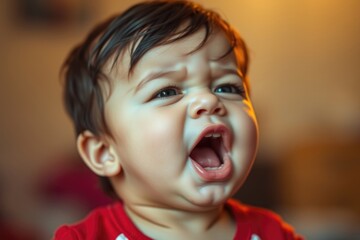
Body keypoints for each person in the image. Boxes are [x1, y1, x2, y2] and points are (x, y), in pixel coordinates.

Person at [54, 0, 303, 239]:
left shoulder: (275, 234)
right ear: (104, 152)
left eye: (227, 87)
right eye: (167, 92)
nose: (208, 100)